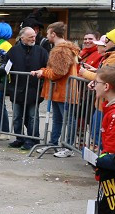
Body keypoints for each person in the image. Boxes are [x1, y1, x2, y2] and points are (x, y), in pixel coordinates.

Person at [85, 65, 115, 214]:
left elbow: (113, 151)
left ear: (106, 86)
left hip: (113, 174)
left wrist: (99, 161)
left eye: (96, 83)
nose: (93, 86)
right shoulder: (111, 108)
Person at [31, 23, 79, 157]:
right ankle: (54, 144)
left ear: (53, 34)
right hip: (61, 90)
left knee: (67, 120)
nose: (46, 36)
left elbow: (58, 72)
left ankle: (68, 147)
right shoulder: (62, 48)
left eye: (48, 33)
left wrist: (42, 72)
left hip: (63, 90)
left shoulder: (61, 50)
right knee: (59, 119)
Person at [6, 26, 48, 150]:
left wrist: (41, 72)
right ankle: (19, 138)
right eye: (30, 37)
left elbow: (46, 67)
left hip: (34, 90)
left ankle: (33, 139)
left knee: (32, 116)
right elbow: (6, 65)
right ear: (22, 37)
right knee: (17, 116)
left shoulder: (41, 51)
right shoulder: (13, 51)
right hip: (17, 89)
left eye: (34, 36)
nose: (33, 38)